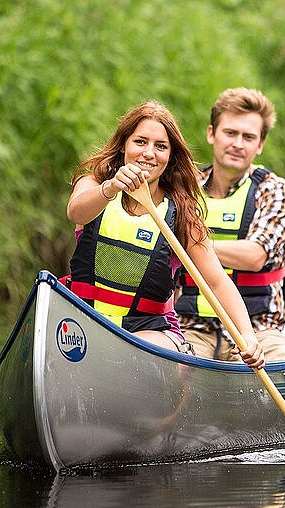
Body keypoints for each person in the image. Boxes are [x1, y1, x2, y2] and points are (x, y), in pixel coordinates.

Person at [66, 100, 264, 369]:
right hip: (83, 319)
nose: (149, 153)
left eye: (160, 146)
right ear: (124, 144)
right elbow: (76, 213)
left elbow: (217, 282)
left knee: (139, 347)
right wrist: (111, 187)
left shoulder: (182, 214)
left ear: (170, 157)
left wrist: (248, 336)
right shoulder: (94, 184)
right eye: (140, 142)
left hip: (150, 331)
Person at [175, 88, 285, 362]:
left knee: (281, 361)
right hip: (191, 327)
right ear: (212, 134)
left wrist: (190, 246)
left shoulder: (275, 190)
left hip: (259, 328)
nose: (238, 144)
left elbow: (255, 257)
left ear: (260, 144)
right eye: (230, 133)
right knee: (169, 363)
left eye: (248, 137)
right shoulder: (184, 189)